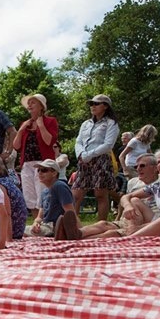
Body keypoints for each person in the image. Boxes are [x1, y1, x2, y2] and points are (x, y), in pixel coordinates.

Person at [72, 94, 120, 222]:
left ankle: (101, 225)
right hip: (83, 159)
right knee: (76, 193)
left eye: (96, 104)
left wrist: (90, 154)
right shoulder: (85, 123)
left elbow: (108, 144)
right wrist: (81, 154)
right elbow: (78, 141)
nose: (92, 106)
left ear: (105, 106)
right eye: (91, 104)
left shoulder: (111, 123)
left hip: (101, 158)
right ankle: (72, 224)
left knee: (100, 194)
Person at [12, 93, 59, 214]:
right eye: (28, 103)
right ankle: (37, 222)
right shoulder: (25, 124)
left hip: (42, 163)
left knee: (42, 194)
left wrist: (41, 125)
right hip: (27, 164)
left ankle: (45, 221)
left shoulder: (50, 121)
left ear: (41, 106)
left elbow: (49, 141)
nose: (29, 105)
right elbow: (16, 146)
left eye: (33, 102)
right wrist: (21, 130)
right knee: (29, 197)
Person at [25, 159, 75, 237]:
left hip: (55, 227)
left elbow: (70, 212)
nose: (40, 173)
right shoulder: (44, 192)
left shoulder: (59, 186)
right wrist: (35, 224)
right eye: (38, 170)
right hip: (45, 226)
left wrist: (76, 229)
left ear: (54, 173)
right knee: (20, 230)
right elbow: (39, 217)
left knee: (18, 231)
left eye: (44, 170)